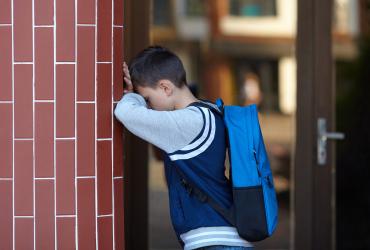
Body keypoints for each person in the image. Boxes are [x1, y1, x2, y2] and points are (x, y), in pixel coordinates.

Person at [114, 46, 254, 250]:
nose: (148, 106)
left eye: (147, 99)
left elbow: (126, 113)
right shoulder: (208, 111)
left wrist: (130, 95)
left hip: (216, 239)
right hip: (221, 236)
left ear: (166, 88)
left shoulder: (187, 122)